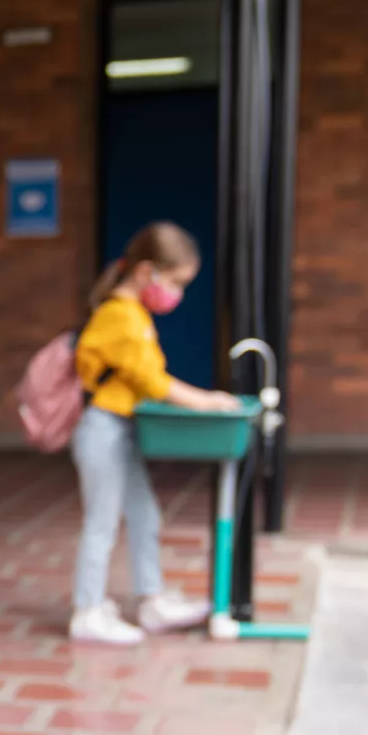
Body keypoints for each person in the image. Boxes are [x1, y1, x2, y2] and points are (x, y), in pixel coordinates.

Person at [69, 222, 238, 645]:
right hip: (103, 432)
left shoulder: (132, 314)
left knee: (145, 515)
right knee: (101, 523)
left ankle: (151, 598)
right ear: (147, 272)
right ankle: (87, 610)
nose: (177, 294)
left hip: (119, 431)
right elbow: (153, 381)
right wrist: (208, 401)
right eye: (176, 282)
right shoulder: (119, 317)